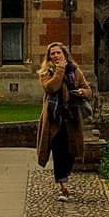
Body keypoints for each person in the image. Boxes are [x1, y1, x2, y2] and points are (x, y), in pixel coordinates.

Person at [35, 42, 90, 200]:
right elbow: (52, 88)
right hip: (54, 119)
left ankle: (64, 177)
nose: (55, 55)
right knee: (58, 151)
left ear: (64, 54)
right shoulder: (46, 72)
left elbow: (88, 90)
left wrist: (81, 91)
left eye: (58, 52)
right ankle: (63, 185)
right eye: (52, 53)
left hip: (71, 117)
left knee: (71, 152)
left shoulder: (75, 70)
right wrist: (60, 70)